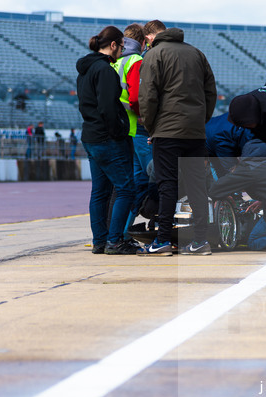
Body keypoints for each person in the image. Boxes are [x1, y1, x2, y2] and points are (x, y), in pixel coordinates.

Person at [138, 26, 217, 256]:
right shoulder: (196, 53)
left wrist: (151, 127)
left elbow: (148, 95)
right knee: (197, 186)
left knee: (167, 185)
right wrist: (200, 121)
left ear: (150, 37)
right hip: (195, 132)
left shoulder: (154, 54)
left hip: (167, 131)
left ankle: (162, 240)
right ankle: (201, 241)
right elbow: (210, 92)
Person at [76, 25, 139, 255]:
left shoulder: (85, 69)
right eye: (121, 46)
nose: (122, 50)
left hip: (91, 136)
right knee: (126, 190)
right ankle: (115, 241)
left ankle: (100, 241)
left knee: (100, 192)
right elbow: (108, 108)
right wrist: (119, 132)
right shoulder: (105, 71)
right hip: (107, 138)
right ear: (113, 45)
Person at [113, 23, 152, 237]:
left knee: (131, 183)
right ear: (143, 42)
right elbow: (136, 97)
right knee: (152, 176)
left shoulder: (116, 59)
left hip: (121, 127)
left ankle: (119, 232)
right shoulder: (136, 60)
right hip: (137, 125)